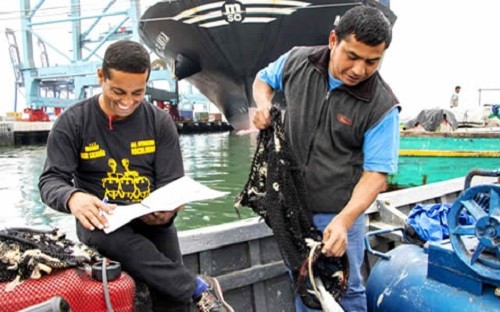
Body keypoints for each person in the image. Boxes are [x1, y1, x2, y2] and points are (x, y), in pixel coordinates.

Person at [39, 40, 234, 312]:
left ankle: (187, 291)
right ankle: (197, 288)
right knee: (122, 242)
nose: (126, 102)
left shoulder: (160, 122)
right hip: (102, 222)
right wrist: (73, 197)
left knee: (173, 300)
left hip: (151, 221)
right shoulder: (72, 123)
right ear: (100, 77)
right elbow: (50, 181)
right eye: (118, 91)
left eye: (137, 93)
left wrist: (168, 210)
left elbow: (172, 184)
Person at [252, 6, 400, 312]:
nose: (360, 69)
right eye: (352, 56)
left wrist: (344, 222)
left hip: (337, 213)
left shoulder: (382, 106)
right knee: (301, 280)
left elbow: (376, 176)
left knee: (345, 288)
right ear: (333, 40)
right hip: (290, 208)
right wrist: (264, 104)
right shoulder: (297, 60)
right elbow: (262, 79)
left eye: (372, 61)